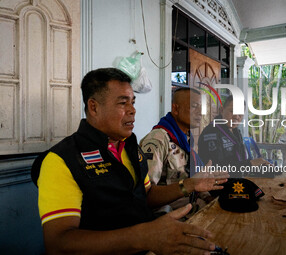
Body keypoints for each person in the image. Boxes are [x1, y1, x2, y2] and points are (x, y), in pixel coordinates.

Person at [31, 68, 227, 254]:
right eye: (123, 103)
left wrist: (190, 184)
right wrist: (144, 236)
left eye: (133, 102)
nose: (132, 110)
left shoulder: (131, 148)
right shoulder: (61, 160)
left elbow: (147, 195)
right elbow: (58, 244)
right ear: (94, 107)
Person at [140, 88, 221, 212]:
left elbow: (194, 180)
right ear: (176, 109)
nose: (200, 113)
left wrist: (208, 196)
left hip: (194, 208)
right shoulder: (158, 140)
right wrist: (190, 185)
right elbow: (146, 195)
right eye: (194, 106)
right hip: (172, 218)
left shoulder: (186, 140)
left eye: (201, 108)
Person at [198, 95, 269, 177]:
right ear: (221, 110)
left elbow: (240, 159)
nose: (236, 117)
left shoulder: (235, 131)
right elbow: (217, 168)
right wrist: (249, 164)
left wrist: (259, 165)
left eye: (240, 114)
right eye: (232, 111)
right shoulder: (211, 132)